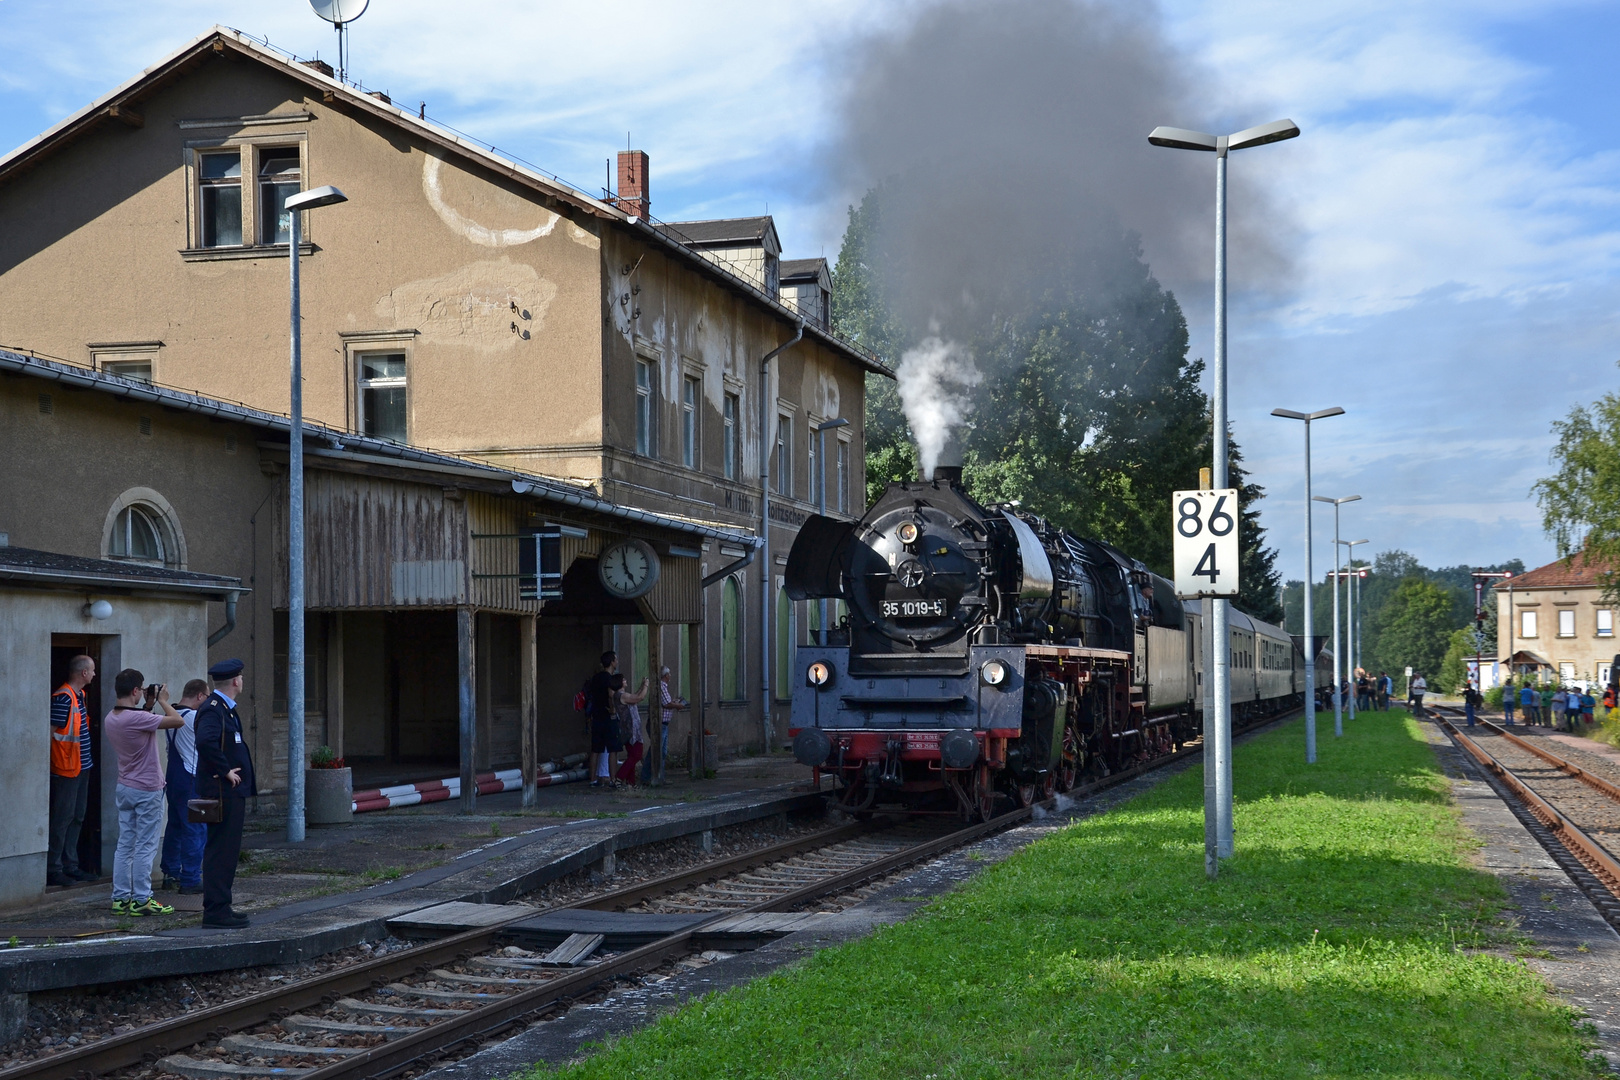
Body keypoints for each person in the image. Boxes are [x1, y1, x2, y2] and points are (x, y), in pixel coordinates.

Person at [104, 669, 185, 916]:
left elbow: (140, 722)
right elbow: (178, 720)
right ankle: (142, 899)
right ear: (135, 691)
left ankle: (120, 898)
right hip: (147, 789)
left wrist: (148, 705)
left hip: (125, 787)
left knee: (125, 843)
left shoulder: (112, 717)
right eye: (141, 691)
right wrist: (162, 701)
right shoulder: (137, 719)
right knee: (146, 845)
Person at [194, 658, 257, 929]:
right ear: (235, 681)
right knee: (221, 851)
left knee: (227, 851)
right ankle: (216, 911)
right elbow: (205, 741)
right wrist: (226, 771)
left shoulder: (226, 710)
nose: (242, 681)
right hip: (222, 791)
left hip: (231, 792)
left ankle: (222, 906)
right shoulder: (214, 709)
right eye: (240, 677)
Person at [48, 655, 98, 887]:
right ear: (84, 673)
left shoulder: (79, 696)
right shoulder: (64, 698)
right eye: (93, 670)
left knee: (77, 817)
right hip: (66, 769)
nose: (95, 675)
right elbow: (50, 734)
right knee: (62, 819)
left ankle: (71, 865)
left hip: (81, 766)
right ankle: (55, 868)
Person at [160, 679, 210, 895]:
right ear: (199, 696)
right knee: (196, 829)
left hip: (173, 776)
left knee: (175, 826)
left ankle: (171, 873)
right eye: (207, 697)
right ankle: (190, 878)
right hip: (192, 776)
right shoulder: (194, 718)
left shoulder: (171, 717)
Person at [644, 666, 688, 786]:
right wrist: (677, 705)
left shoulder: (663, 687)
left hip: (664, 724)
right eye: (669, 674)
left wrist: (674, 702)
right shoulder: (661, 687)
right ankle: (649, 776)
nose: (670, 676)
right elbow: (666, 704)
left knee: (662, 752)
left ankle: (660, 776)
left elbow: (667, 702)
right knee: (656, 750)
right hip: (660, 724)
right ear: (666, 675)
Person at [586, 652, 618, 789]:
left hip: (596, 715)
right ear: (612, 662)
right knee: (612, 748)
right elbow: (611, 695)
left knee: (595, 749)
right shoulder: (610, 679)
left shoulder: (595, 678)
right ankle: (613, 780)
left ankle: (592, 780)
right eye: (616, 659)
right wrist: (612, 709)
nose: (617, 661)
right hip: (607, 716)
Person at [612, 673, 651, 786]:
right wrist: (646, 686)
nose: (625, 680)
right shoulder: (621, 695)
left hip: (628, 729)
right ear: (619, 683)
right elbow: (639, 698)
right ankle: (619, 777)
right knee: (637, 755)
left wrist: (642, 685)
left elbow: (634, 696)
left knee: (632, 756)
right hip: (632, 731)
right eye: (623, 679)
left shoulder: (621, 695)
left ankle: (631, 783)